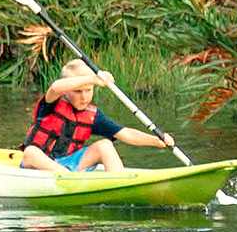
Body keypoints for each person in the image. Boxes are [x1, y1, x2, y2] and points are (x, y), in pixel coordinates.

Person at [20, 61, 167, 174]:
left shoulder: (93, 116)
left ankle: (119, 183)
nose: (84, 97)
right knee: (31, 152)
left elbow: (126, 134)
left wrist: (157, 141)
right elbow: (55, 87)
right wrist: (92, 79)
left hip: (71, 163)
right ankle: (68, 179)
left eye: (88, 90)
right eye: (78, 91)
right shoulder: (51, 103)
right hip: (39, 165)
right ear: (66, 91)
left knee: (105, 145)